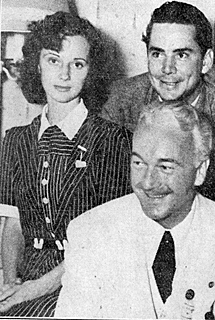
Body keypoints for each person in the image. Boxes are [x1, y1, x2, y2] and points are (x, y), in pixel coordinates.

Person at [55, 101, 215, 319]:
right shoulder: (91, 233)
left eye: (165, 167)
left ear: (200, 171)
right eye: (138, 164)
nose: (147, 183)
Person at [0, 12, 132, 317]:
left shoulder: (113, 140)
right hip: (24, 276)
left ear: (91, 71)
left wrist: (34, 290)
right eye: (53, 60)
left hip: (85, 278)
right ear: (36, 64)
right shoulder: (16, 140)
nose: (64, 75)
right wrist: (10, 283)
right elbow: (14, 224)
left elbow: (105, 243)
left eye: (77, 64)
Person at [101, 1, 215, 209]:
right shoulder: (121, 101)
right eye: (157, 54)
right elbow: (106, 190)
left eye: (181, 55)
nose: (167, 68)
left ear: (206, 61)